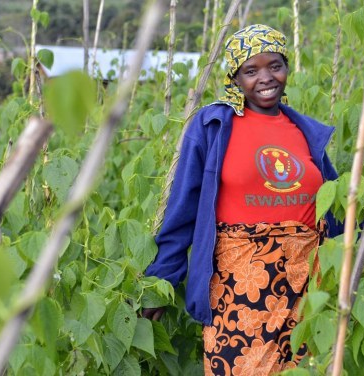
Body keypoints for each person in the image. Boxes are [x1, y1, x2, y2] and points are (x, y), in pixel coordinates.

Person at [143, 24, 343, 375]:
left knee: (308, 367)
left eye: (275, 66)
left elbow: (334, 205)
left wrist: (350, 258)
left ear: (287, 68)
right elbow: (184, 206)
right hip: (240, 287)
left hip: (309, 284)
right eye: (251, 71)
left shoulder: (305, 131)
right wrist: (163, 278)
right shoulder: (214, 126)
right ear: (234, 77)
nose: (266, 78)